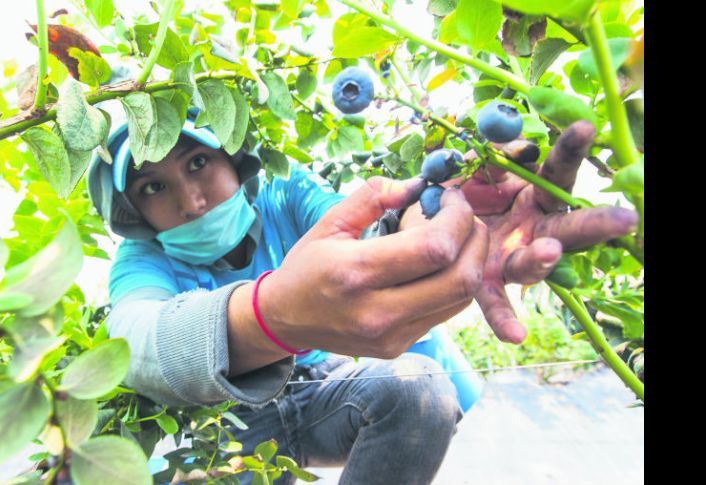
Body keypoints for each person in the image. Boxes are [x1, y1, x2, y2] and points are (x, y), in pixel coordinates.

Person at [87, 108, 638, 484]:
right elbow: (136, 345)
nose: (193, 199)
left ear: (235, 159)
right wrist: (271, 316)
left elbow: (363, 235)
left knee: (418, 389)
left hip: (326, 393)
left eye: (198, 161)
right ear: (134, 214)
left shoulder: (284, 195)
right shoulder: (142, 262)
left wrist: (429, 226)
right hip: (230, 426)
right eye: (152, 186)